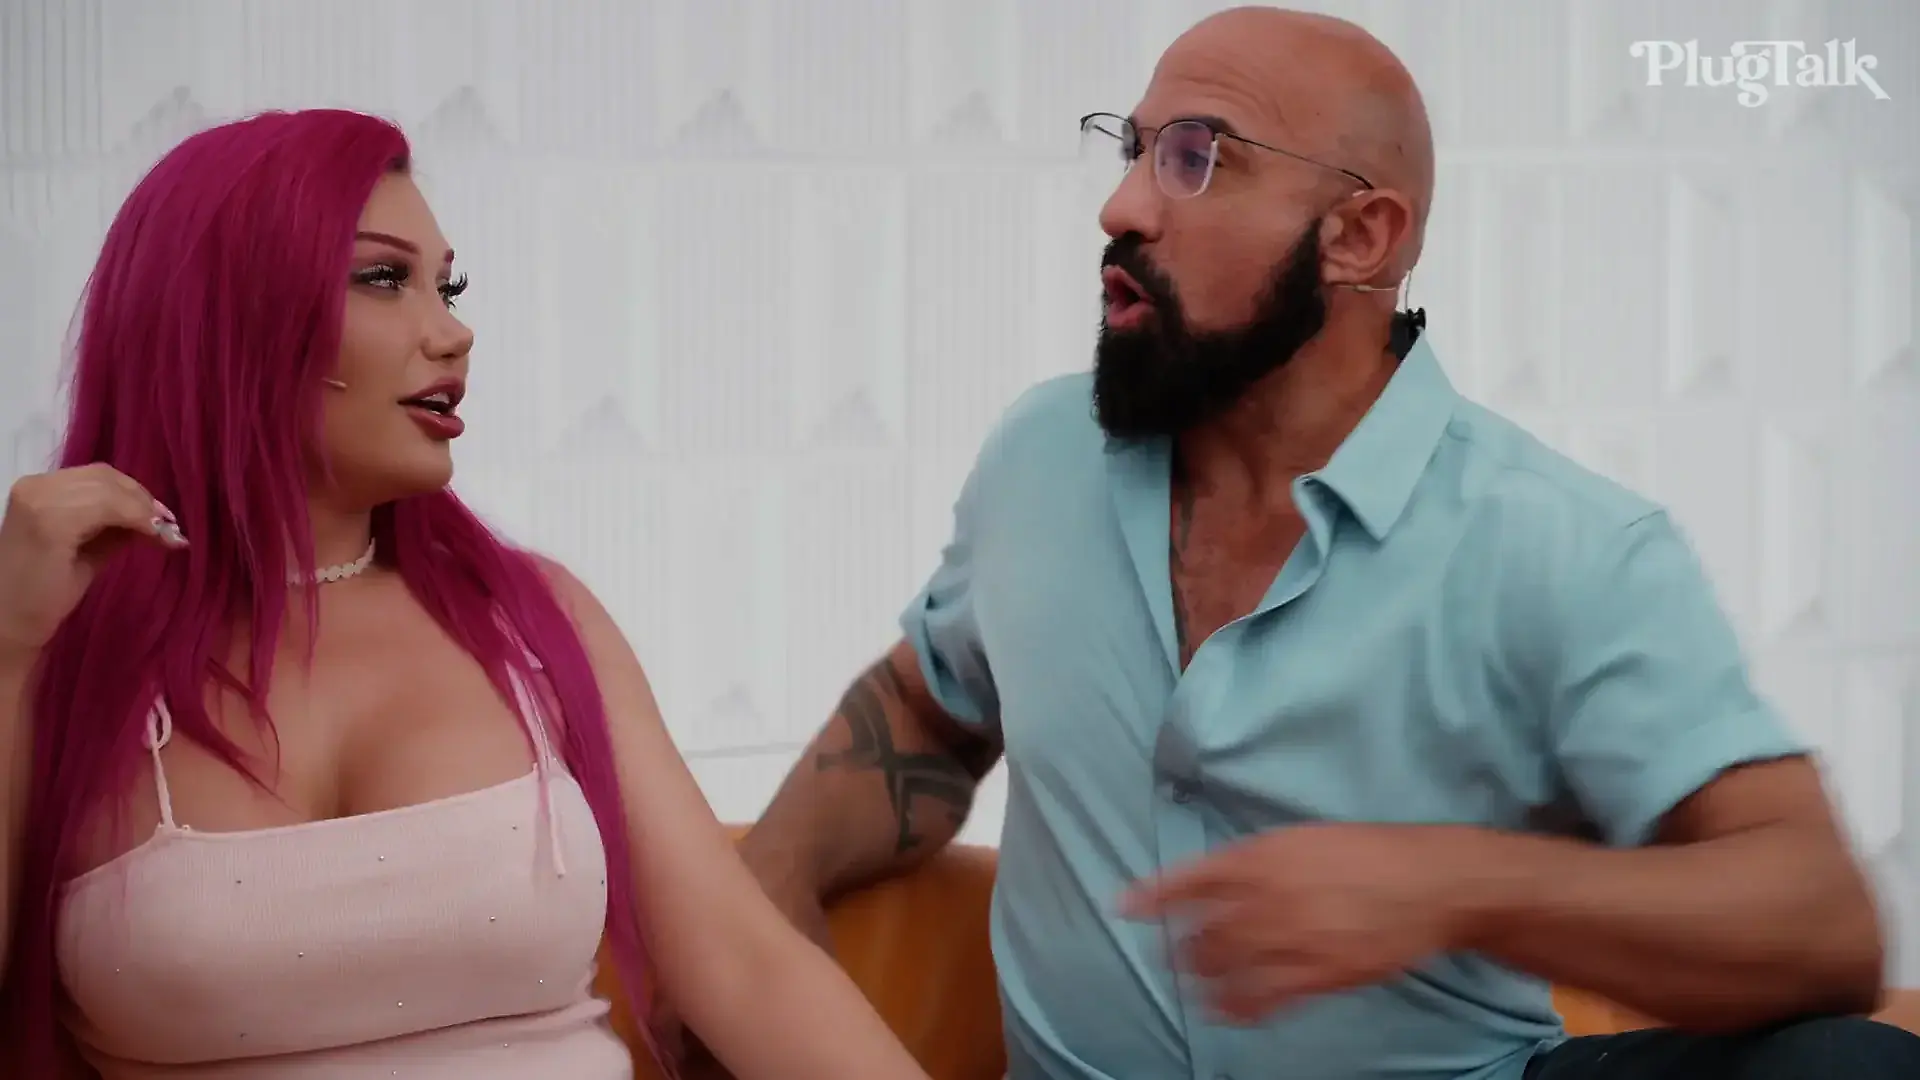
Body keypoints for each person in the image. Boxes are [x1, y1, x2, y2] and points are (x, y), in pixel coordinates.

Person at [719, 8, 1920, 1080]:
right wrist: (764, 878)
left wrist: (1457, 885)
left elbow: (1821, 926)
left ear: (1359, 236)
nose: (1121, 206)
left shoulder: (1562, 546)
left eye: (1196, 157)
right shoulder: (1042, 456)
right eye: (1132, 149)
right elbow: (929, 708)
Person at [0, 109, 931, 1080]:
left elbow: (746, 969)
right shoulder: (52, 647)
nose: (454, 332)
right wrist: (9, 646)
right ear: (227, 316)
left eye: (446, 286)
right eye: (383, 278)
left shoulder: (533, 620)